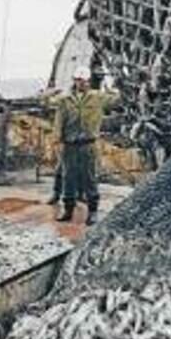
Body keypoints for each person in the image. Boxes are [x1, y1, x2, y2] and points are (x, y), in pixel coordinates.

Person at [51, 66, 119, 225]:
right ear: (74, 81)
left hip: (88, 144)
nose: (81, 83)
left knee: (90, 178)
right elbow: (56, 115)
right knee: (68, 178)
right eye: (78, 80)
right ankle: (68, 210)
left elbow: (117, 100)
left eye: (83, 80)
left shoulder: (98, 97)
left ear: (88, 81)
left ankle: (93, 212)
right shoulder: (65, 99)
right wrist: (57, 139)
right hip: (69, 145)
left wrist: (116, 89)